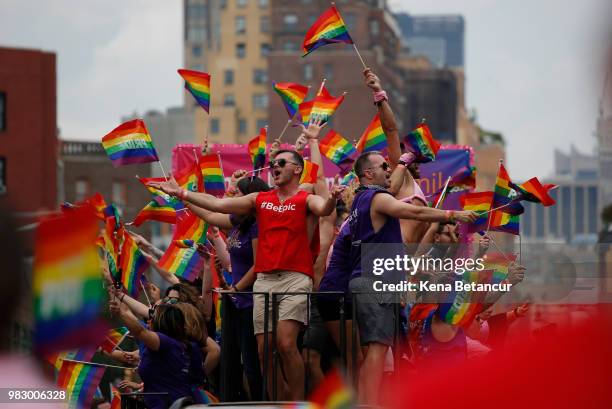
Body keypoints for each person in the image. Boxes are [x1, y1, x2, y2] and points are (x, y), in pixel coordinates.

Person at [147, 126, 344, 400]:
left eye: (281, 163)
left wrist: (332, 199)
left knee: (287, 344)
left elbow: (324, 209)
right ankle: (280, 401)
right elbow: (216, 207)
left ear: (297, 170)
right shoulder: (259, 200)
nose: (274, 167)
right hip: (264, 281)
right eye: (272, 164)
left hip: (295, 277)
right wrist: (181, 193)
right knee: (264, 352)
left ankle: (298, 403)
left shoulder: (305, 197)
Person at [347, 151, 478, 405]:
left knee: (372, 354)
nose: (389, 169)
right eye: (384, 166)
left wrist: (403, 161)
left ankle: (366, 403)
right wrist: (455, 215)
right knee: (376, 352)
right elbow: (415, 213)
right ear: (368, 174)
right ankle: (370, 405)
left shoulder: (360, 200)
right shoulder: (376, 198)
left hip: (366, 282)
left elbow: (395, 185)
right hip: (376, 284)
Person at [188, 175, 269, 401]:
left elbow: (258, 263)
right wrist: (184, 199)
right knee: (233, 363)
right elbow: (211, 214)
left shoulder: (256, 226)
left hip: (250, 301)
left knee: (252, 363)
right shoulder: (238, 222)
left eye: (239, 194)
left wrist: (237, 287)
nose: (234, 198)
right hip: (236, 301)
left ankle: (261, 405)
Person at [110, 297, 195, 409]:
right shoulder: (160, 340)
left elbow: (139, 330)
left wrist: (121, 312)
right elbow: (128, 315)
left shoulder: (166, 342)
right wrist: (114, 291)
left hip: (170, 405)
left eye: (153, 317)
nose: (148, 319)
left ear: (163, 322)